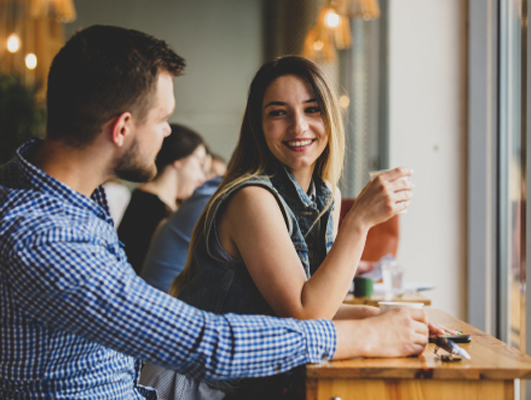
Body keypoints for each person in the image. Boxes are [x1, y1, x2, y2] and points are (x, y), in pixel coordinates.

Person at [0, 26, 430, 400]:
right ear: (123, 128)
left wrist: (374, 322)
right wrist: (366, 339)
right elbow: (209, 344)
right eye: (162, 119)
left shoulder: (39, 192)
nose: (169, 133)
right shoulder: (48, 237)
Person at [153, 55, 447, 400]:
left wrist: (388, 318)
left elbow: (318, 303)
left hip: (251, 383)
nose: (298, 127)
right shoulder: (252, 198)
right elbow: (307, 316)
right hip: (200, 387)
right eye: (278, 113)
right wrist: (360, 220)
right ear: (257, 126)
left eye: (312, 109)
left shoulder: (326, 196)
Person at [118, 123, 208, 273]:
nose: (202, 178)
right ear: (178, 159)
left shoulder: (167, 204)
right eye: (200, 164)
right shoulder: (147, 207)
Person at [140, 175, 222, 292]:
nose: (202, 177)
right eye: (201, 164)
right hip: (161, 297)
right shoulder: (213, 199)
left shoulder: (208, 194)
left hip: (157, 292)